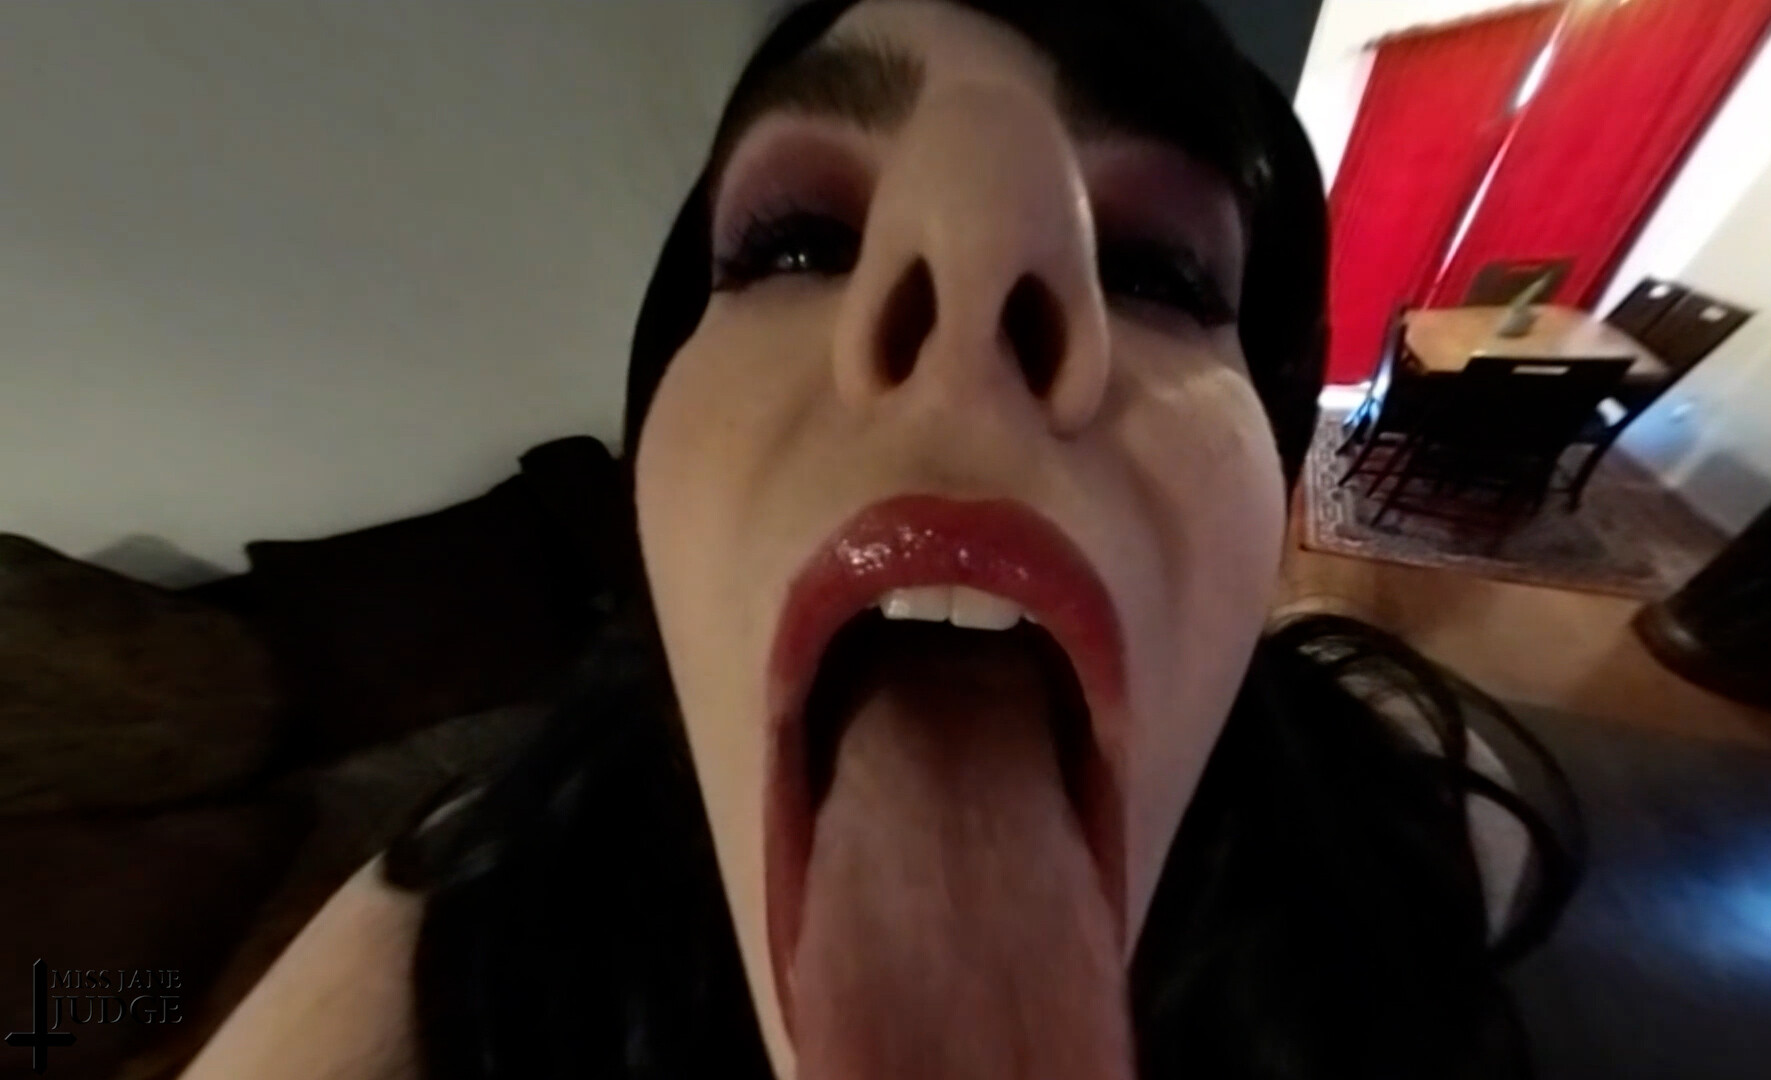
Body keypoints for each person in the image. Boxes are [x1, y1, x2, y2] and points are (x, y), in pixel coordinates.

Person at [182, 1, 1579, 1077]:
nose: (979, 256)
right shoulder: (453, 916)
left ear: (1272, 494)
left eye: (1158, 272)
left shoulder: (1420, 821)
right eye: (796, 241)